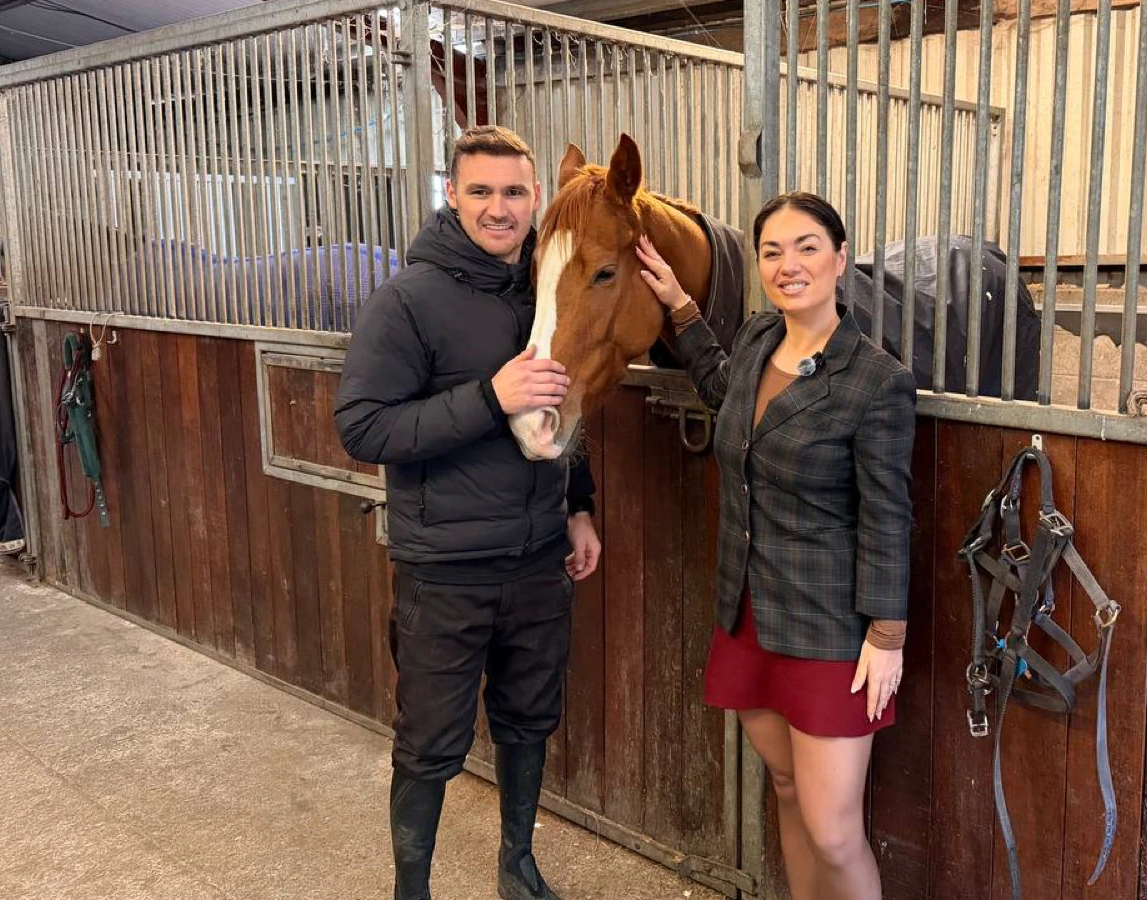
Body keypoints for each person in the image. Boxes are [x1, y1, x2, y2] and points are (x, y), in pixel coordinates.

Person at [334, 125, 600, 900]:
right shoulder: (406, 301)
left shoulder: (547, 290)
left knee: (528, 721)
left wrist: (579, 507)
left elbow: (569, 407)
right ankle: (410, 889)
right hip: (445, 567)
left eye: (514, 192)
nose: (498, 208)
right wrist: (490, 398)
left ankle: (516, 864)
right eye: (480, 191)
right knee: (429, 742)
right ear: (451, 195)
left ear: (536, 200)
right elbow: (364, 427)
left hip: (538, 560)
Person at [635, 191, 916, 899]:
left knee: (834, 830)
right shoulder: (759, 340)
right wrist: (680, 309)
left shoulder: (876, 381)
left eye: (807, 246)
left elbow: (889, 515)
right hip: (751, 610)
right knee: (787, 787)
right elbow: (725, 392)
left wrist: (888, 633)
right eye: (772, 251)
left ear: (840, 258)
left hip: (830, 630)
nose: (788, 264)